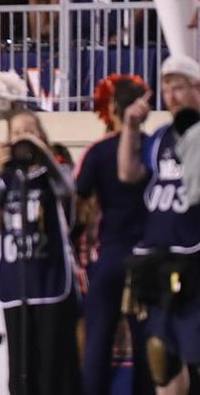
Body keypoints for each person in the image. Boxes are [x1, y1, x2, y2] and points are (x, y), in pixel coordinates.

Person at [0, 109, 77, 395]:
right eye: (17, 133)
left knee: (51, 365)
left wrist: (45, 154)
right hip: (16, 283)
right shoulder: (7, 178)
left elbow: (67, 188)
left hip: (50, 280)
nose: (23, 139)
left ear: (42, 136)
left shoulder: (55, 172)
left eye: (29, 132)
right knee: (21, 365)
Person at [119, 55, 200, 394]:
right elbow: (129, 173)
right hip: (159, 258)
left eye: (178, 86)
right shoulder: (162, 136)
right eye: (166, 88)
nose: (171, 94)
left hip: (194, 256)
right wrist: (131, 127)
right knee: (162, 356)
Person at [77, 74, 150, 395]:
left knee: (98, 339)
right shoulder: (154, 146)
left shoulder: (98, 151)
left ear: (114, 109)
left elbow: (79, 201)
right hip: (149, 256)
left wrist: (82, 240)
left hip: (109, 255)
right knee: (148, 340)